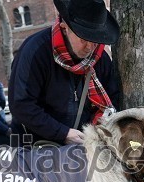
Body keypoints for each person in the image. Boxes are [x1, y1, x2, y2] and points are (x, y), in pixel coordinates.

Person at [8, 0, 120, 146]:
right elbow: (20, 104)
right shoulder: (35, 51)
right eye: (84, 38)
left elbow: (113, 98)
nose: (90, 47)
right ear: (65, 27)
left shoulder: (100, 59)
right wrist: (62, 133)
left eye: (95, 40)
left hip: (82, 147)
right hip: (35, 148)